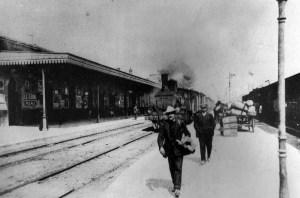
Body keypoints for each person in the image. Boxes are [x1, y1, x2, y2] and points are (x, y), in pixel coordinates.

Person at [157, 106, 191, 198]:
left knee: (178, 168)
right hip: (169, 150)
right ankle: (175, 183)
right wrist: (160, 147)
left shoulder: (180, 122)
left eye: (171, 113)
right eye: (168, 114)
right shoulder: (164, 124)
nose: (170, 115)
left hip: (179, 149)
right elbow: (160, 137)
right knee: (172, 169)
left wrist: (183, 140)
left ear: (175, 114)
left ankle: (177, 188)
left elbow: (187, 133)